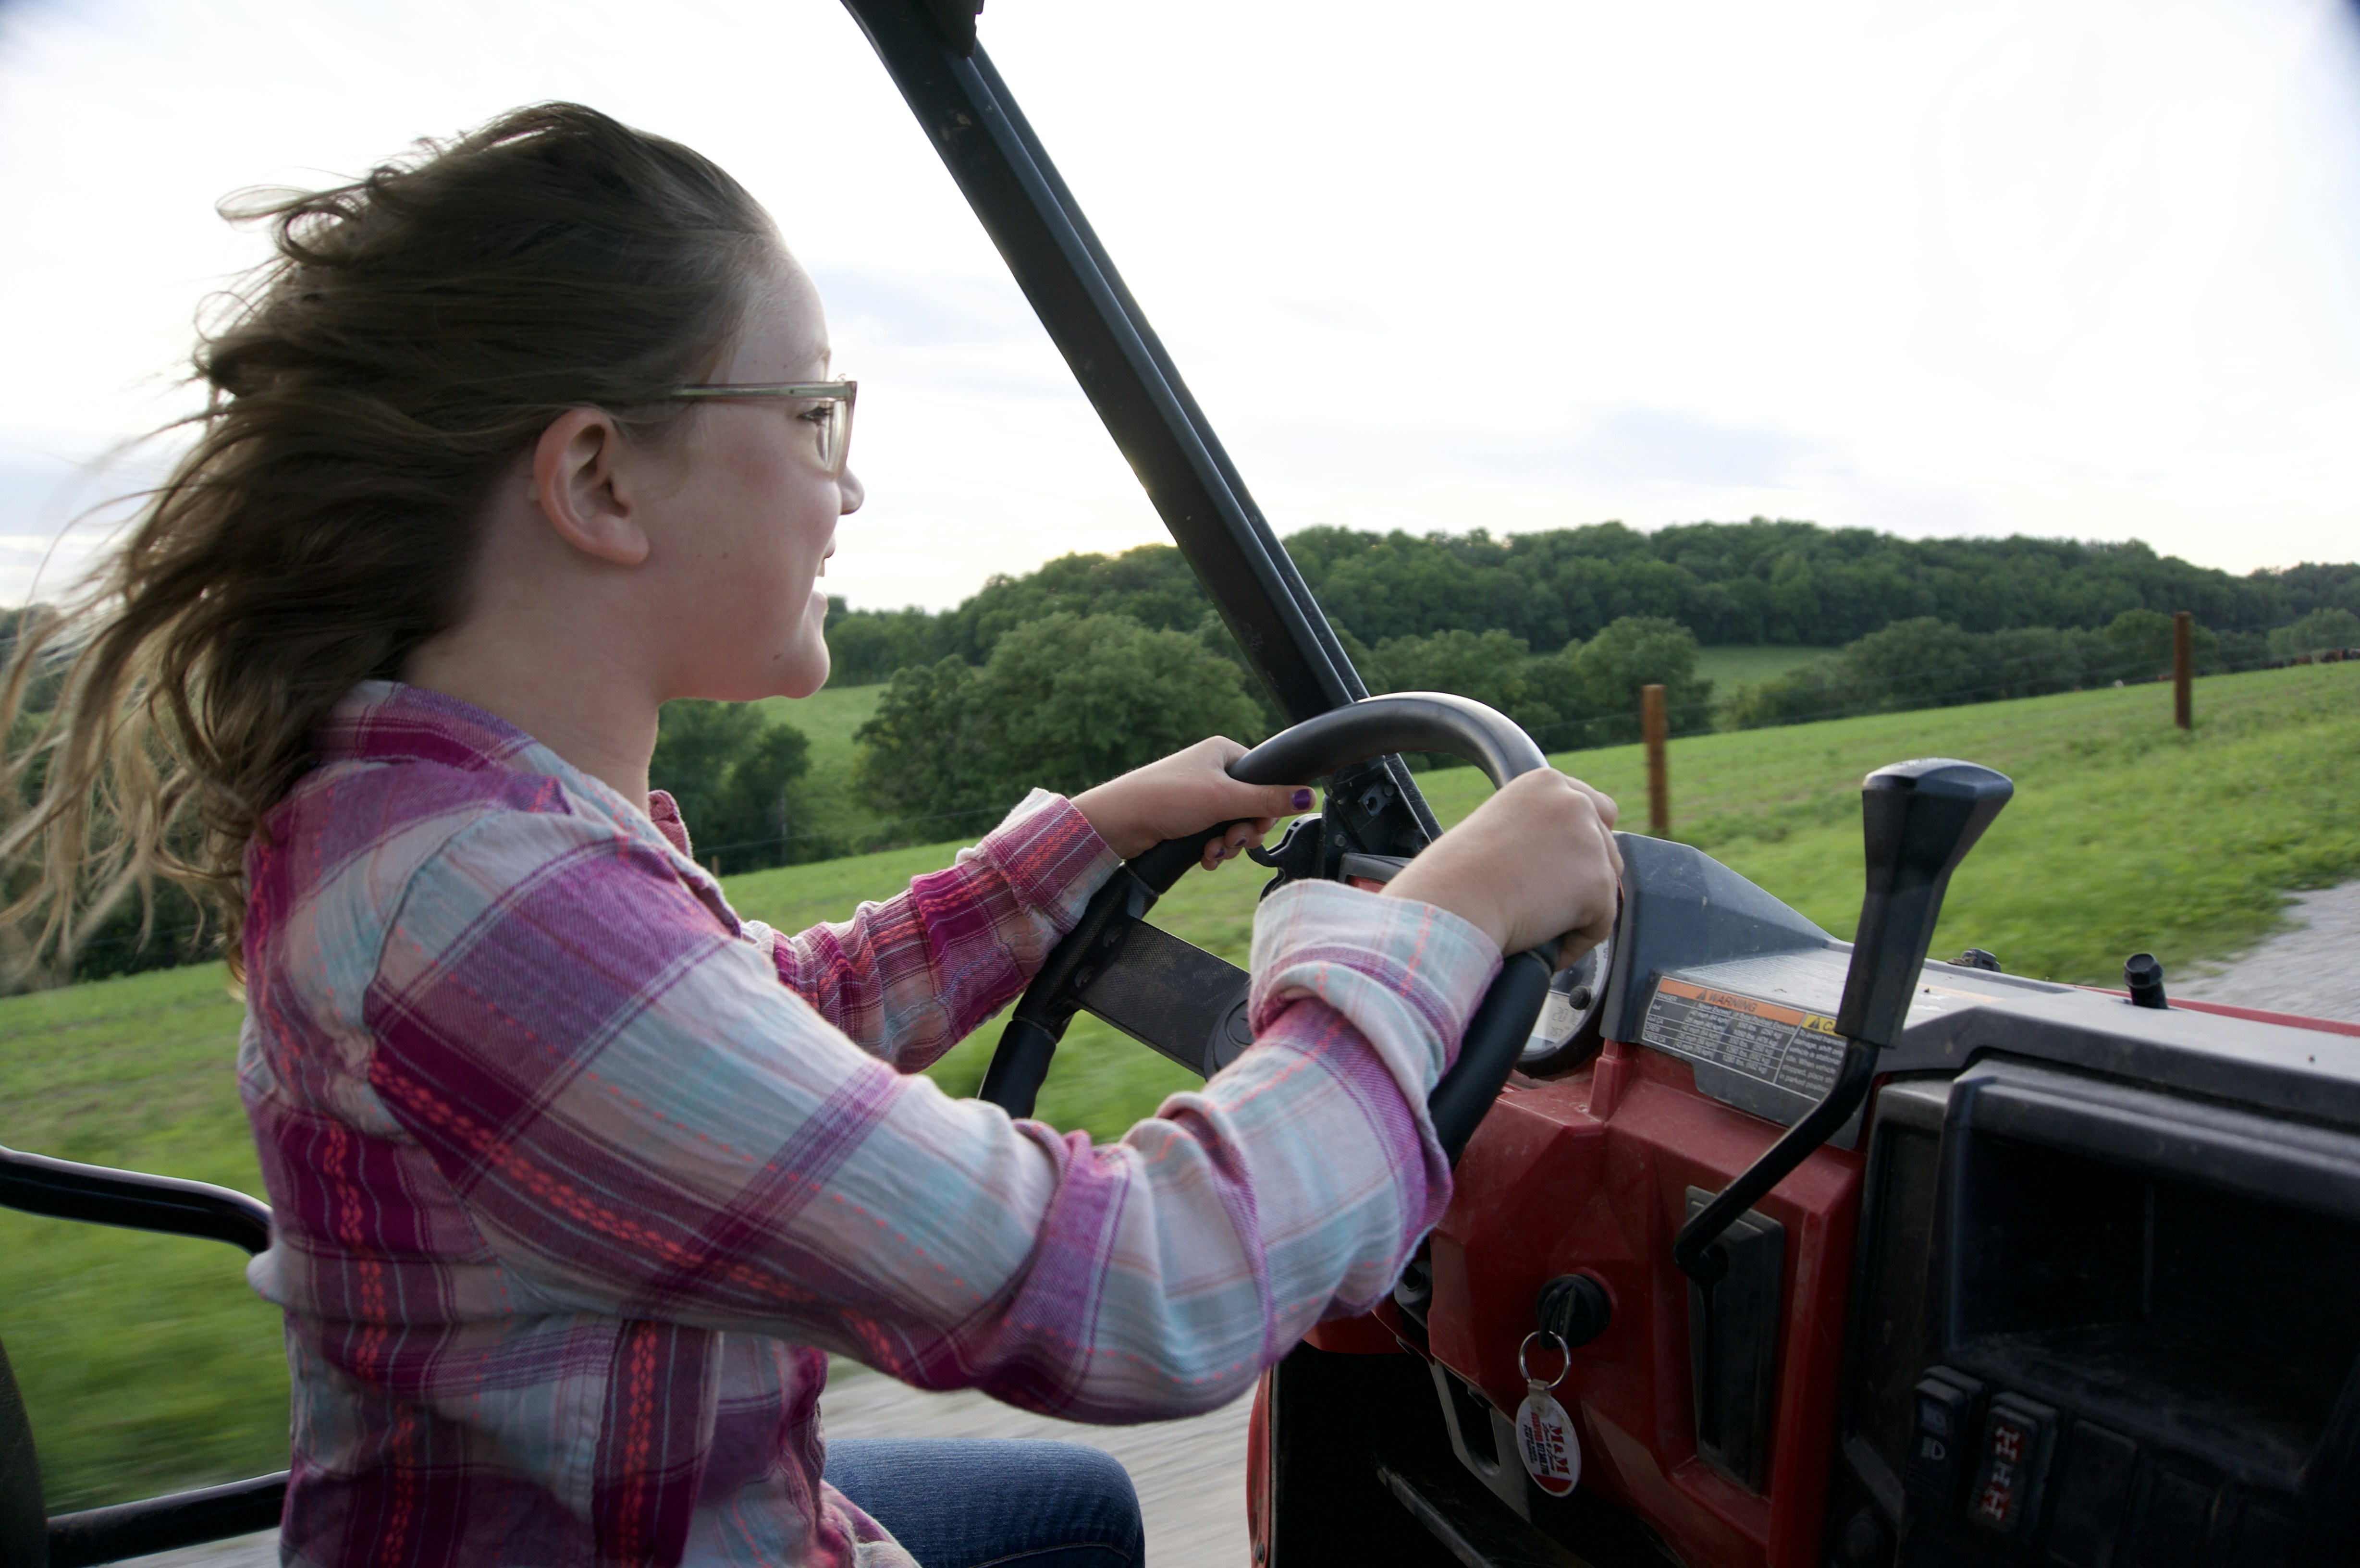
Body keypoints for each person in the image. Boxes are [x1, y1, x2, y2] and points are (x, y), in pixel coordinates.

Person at [0, 105, 1621, 1568]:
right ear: (599, 481)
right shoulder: (483, 908)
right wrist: (1433, 930)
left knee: (1069, 1515)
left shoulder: (446, 823)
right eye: (812, 415)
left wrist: (1083, 842)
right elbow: (1144, 1287)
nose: (847, 491)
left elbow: (757, 1028)